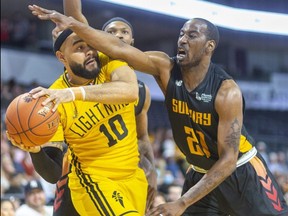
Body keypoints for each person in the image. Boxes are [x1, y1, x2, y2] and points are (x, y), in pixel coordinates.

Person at [28, 4, 288, 216]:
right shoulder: (165, 68)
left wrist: (183, 201)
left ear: (210, 46)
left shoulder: (226, 91)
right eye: (181, 34)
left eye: (192, 36)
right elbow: (118, 48)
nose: (183, 40)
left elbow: (228, 160)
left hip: (241, 170)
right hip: (198, 171)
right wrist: (74, 24)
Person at [7, 18, 148, 216]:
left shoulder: (109, 62)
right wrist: (35, 150)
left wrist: (74, 94)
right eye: (79, 47)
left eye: (90, 45)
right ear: (62, 57)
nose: (89, 51)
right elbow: (53, 173)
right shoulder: (52, 99)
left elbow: (131, 91)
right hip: (95, 182)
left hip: (133, 177)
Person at [63, 0, 157, 211]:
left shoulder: (141, 91)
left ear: (132, 41)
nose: (119, 35)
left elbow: (142, 137)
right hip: (85, 175)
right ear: (98, 39)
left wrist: (152, 172)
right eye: (111, 31)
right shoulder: (93, 68)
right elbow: (74, 16)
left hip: (123, 178)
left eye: (125, 32)